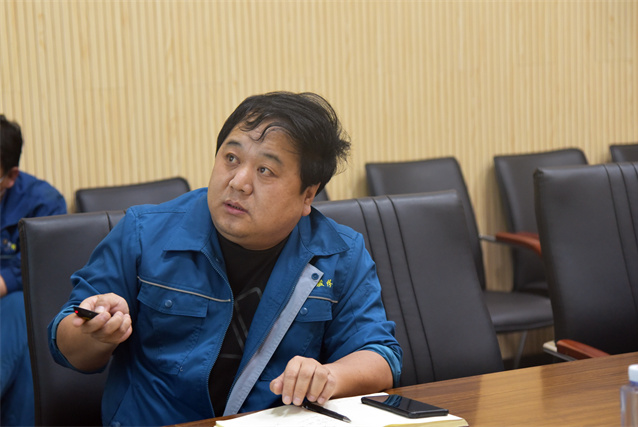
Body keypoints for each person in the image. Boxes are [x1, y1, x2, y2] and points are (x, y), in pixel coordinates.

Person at [49, 92, 403, 426]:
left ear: (308, 195)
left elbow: (380, 357)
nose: (238, 182)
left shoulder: (339, 253)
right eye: (231, 158)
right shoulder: (143, 232)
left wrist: (329, 376)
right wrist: (95, 333)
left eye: (265, 171)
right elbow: (67, 346)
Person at [1, 114, 67, 426]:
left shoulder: (44, 202)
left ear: (10, 176)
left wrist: (5, 281)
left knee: (20, 309)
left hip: (22, 307)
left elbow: (46, 269)